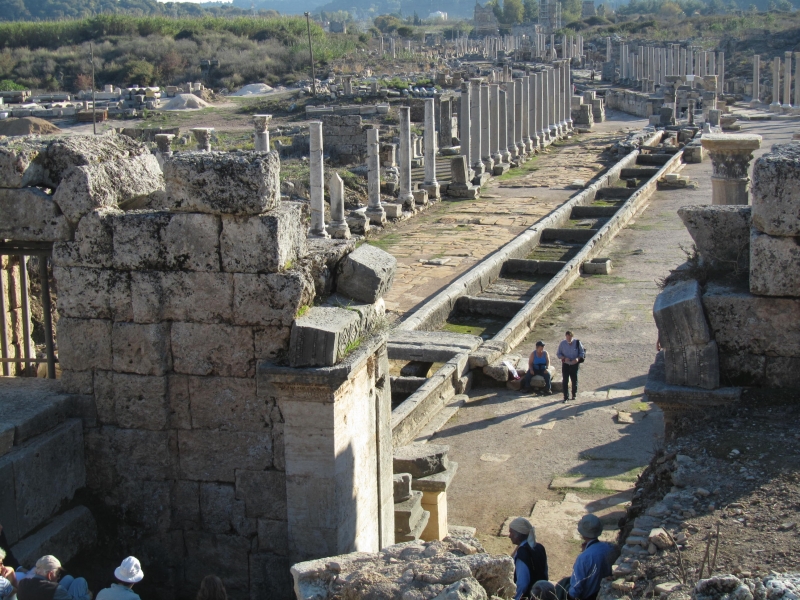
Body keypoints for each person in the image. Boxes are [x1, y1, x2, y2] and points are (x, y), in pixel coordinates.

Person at [556, 515, 614, 600]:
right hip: (603, 591)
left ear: (582, 534)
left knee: (562, 586)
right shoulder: (610, 547)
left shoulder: (583, 557)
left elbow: (575, 591)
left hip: (589, 596)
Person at [508, 517, 548, 600]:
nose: (509, 536)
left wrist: (516, 598)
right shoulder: (539, 547)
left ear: (518, 535)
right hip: (541, 594)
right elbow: (545, 572)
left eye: (511, 532)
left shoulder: (523, 553)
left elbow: (522, 583)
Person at [556, 331, 585, 403]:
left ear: (572, 337)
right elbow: (558, 354)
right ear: (565, 336)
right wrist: (564, 358)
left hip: (574, 364)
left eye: (570, 337)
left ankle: (574, 394)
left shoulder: (577, 343)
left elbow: (582, 352)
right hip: (566, 364)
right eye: (567, 337)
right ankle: (566, 397)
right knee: (565, 380)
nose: (569, 339)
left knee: (574, 380)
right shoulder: (562, 344)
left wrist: (578, 359)